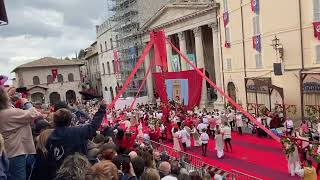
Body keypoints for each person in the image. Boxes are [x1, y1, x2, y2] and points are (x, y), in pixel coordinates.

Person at [45, 100, 106, 179]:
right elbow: (94, 125)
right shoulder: (78, 131)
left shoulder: (49, 137)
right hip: (79, 173)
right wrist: (102, 108)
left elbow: (49, 160)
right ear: (70, 120)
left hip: (59, 175)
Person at [0, 88, 42, 180]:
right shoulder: (7, 113)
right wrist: (26, 102)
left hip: (8, 152)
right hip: (15, 154)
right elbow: (34, 114)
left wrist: (10, 100)